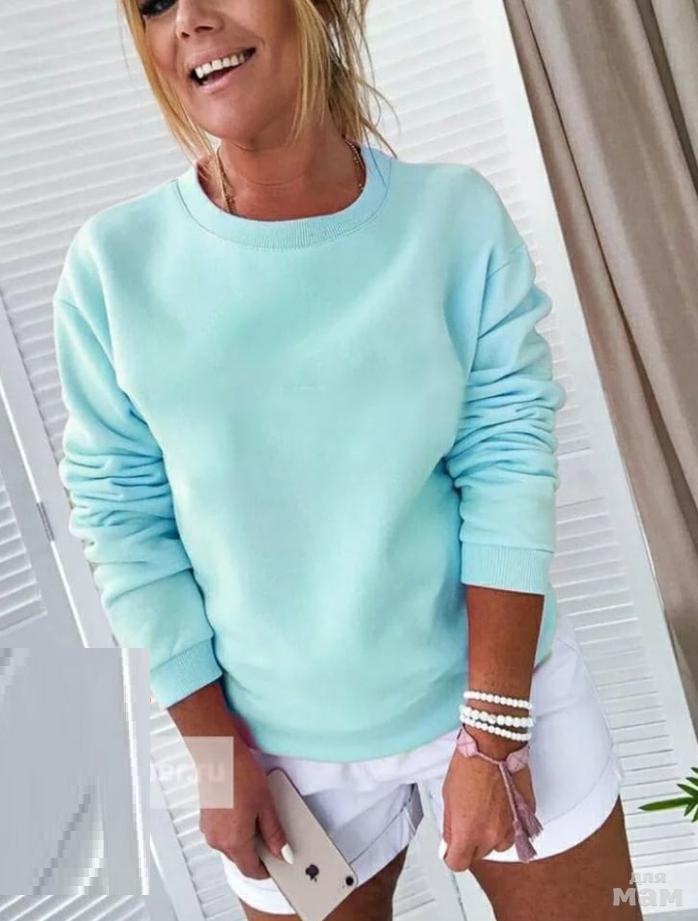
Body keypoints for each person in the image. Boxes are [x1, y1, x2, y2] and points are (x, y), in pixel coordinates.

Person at [53, 1, 643, 919]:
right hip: (278, 752)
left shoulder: (453, 219)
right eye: (156, 2)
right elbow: (123, 523)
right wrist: (214, 755)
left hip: (498, 694)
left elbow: (507, 463)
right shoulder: (114, 268)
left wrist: (493, 729)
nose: (191, 20)